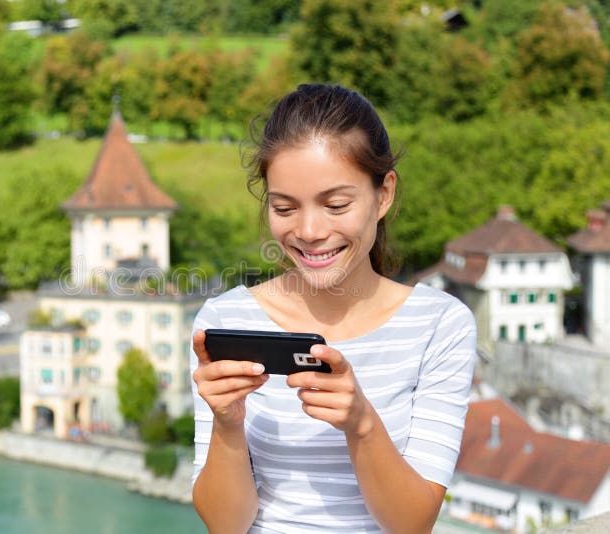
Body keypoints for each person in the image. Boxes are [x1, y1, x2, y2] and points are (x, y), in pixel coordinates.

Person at [190, 84, 476, 534]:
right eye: (284, 207)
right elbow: (226, 525)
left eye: (335, 205)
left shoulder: (440, 325)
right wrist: (228, 423)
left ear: (383, 195)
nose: (308, 230)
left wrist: (361, 423)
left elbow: (413, 523)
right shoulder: (224, 320)